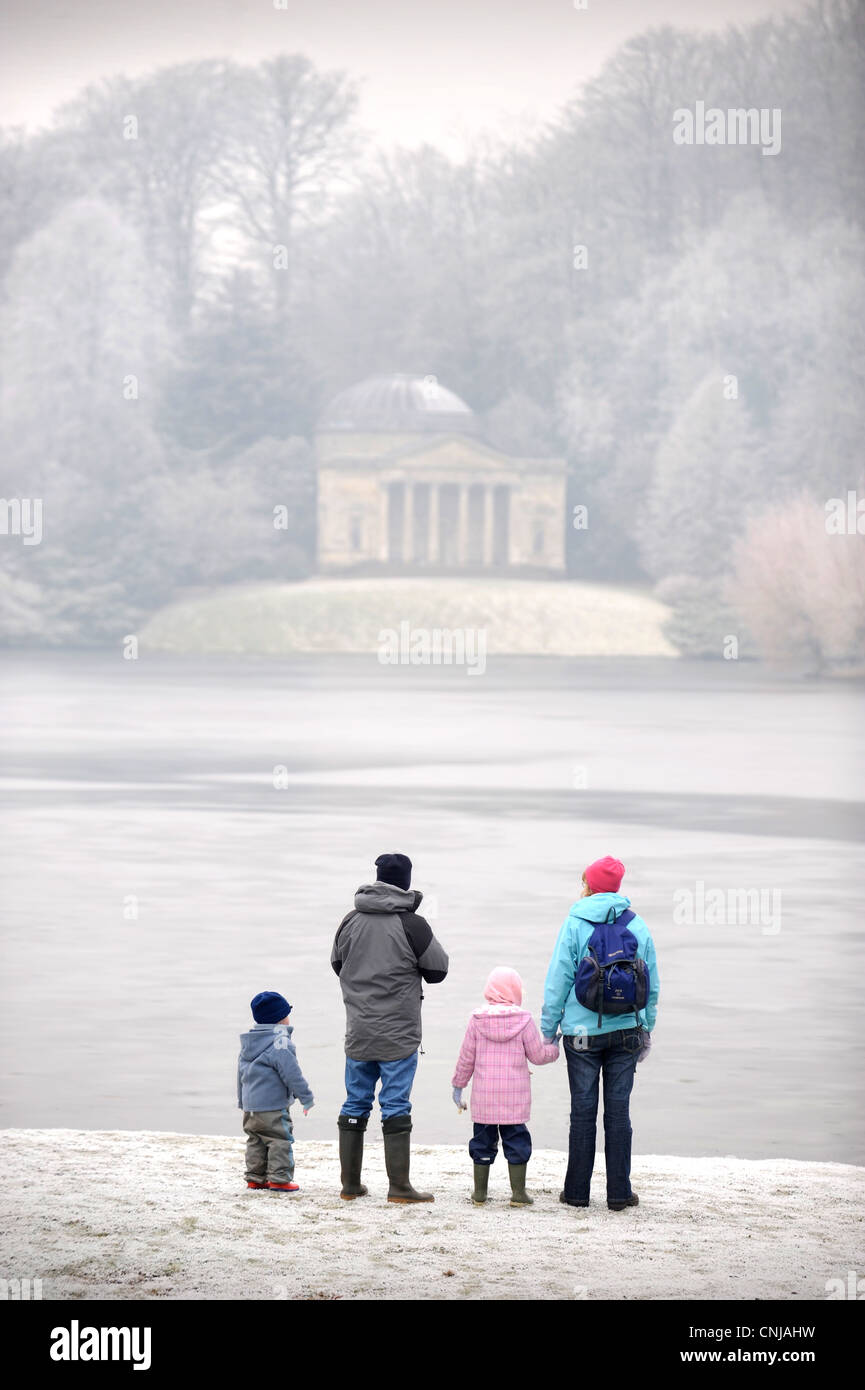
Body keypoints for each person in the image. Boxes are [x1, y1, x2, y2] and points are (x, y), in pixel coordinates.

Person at [541, 856, 659, 1210]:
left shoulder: (574, 922)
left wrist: (548, 1029)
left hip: (580, 1034)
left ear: (589, 885)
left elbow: (558, 978)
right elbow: (651, 984)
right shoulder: (638, 926)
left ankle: (577, 1193)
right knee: (619, 1112)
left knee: (583, 1111)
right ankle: (619, 1194)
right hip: (626, 1030)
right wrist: (647, 1027)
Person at [331, 852, 449, 1203]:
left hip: (359, 1030)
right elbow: (438, 971)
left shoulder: (349, 920)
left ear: (377, 878)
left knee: (355, 1101)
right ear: (406, 883)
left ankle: (350, 1186)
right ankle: (399, 1187)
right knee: (395, 1103)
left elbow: (337, 964)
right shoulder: (413, 924)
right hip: (399, 1033)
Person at [451, 967, 559, 1207]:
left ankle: (480, 1194)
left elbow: (466, 1058)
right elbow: (538, 1055)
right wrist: (554, 1048)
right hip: (514, 1100)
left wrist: (458, 1086)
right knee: (517, 1143)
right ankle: (518, 1194)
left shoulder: (477, 1019)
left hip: (484, 1100)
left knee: (482, 1143)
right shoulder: (524, 1019)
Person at [237, 990, 315, 1193]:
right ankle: (279, 1179)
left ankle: (255, 1178)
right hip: (273, 1107)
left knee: (256, 1140)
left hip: (251, 1108)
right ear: (281, 1019)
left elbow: (241, 1076)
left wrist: (242, 1102)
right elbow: (292, 1074)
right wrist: (306, 1097)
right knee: (279, 1140)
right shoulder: (280, 1043)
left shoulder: (248, 1043)